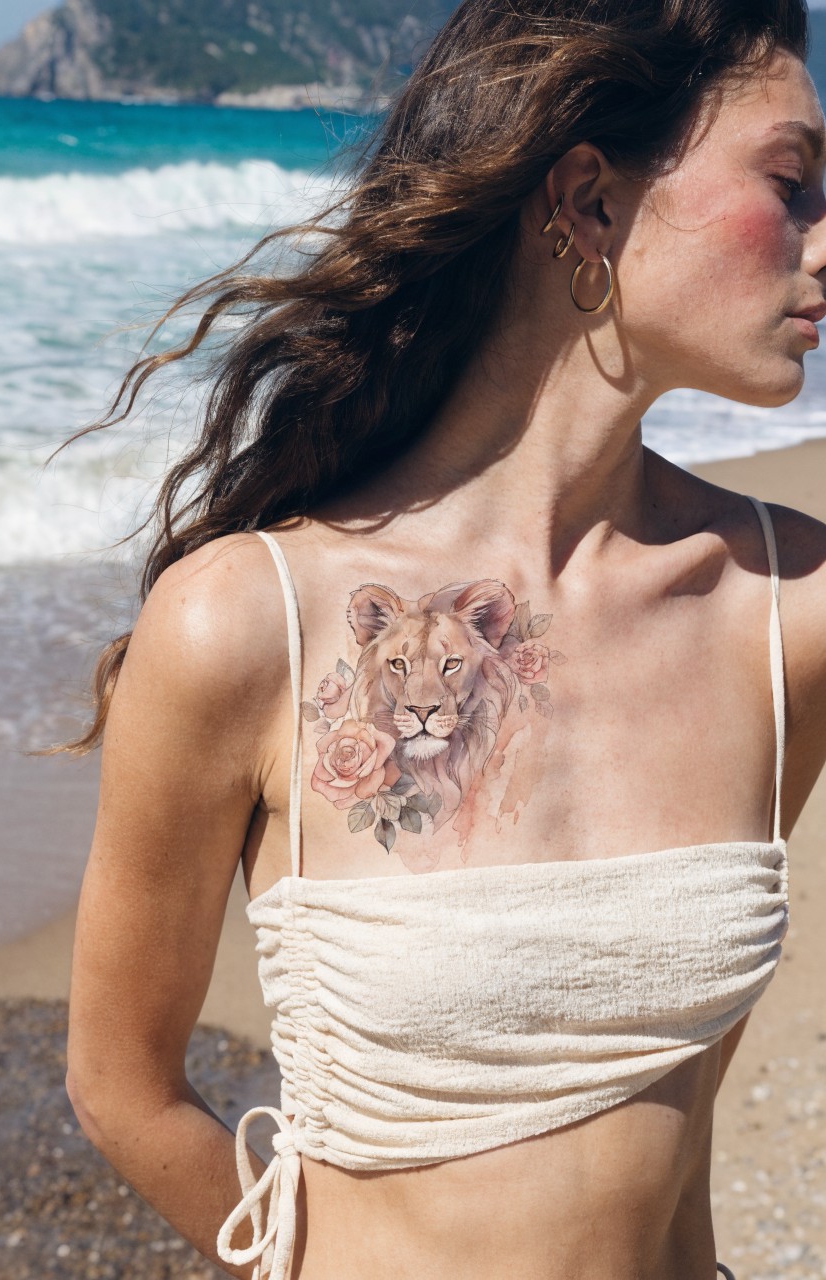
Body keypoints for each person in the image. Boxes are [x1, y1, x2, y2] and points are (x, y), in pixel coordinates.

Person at [57, 1, 826, 1277]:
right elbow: (121, 1085)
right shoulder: (249, 623)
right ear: (586, 200)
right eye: (792, 186)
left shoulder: (785, 612)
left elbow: (663, 1098)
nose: (820, 241)